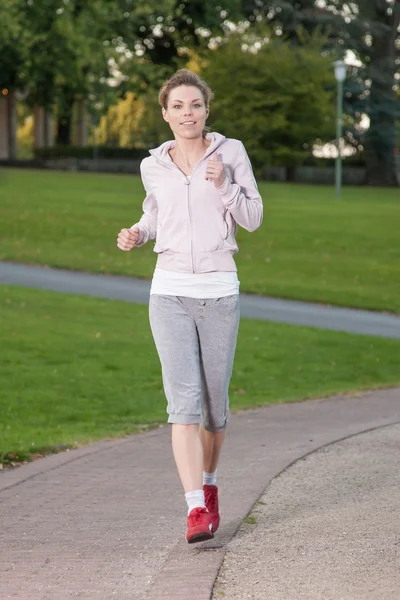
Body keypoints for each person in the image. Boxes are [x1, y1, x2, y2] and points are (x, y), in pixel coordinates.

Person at [117, 68, 263, 544]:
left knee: (214, 410)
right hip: (169, 291)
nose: (187, 113)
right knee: (182, 405)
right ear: (165, 114)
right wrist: (139, 232)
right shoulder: (153, 164)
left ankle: (211, 483)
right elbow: (155, 214)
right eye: (177, 106)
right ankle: (195, 508)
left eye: (195, 105)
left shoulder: (231, 153)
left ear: (206, 110)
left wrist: (225, 186)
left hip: (219, 291)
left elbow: (254, 218)